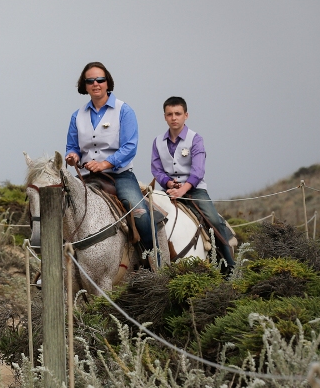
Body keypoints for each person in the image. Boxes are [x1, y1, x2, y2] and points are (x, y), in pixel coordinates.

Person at [65, 61, 164, 258]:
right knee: (63, 209)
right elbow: (72, 147)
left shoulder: (124, 111)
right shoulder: (77, 116)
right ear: (84, 86)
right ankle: (52, 267)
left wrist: (104, 164)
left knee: (140, 213)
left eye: (100, 79)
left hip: (119, 175)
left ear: (107, 82)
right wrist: (73, 156)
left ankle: (155, 264)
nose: (96, 84)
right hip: (85, 176)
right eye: (90, 80)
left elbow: (130, 147)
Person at [151, 96, 236, 271]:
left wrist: (183, 190)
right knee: (149, 217)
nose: (174, 118)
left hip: (194, 191)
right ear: (164, 116)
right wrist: (167, 183)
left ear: (186, 115)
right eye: (170, 114)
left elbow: (198, 171)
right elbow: (156, 169)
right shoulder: (158, 141)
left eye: (178, 114)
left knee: (214, 220)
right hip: (168, 191)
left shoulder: (196, 139)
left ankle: (229, 266)